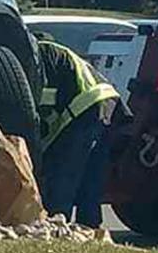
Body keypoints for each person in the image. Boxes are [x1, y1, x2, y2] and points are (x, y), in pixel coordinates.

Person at [36, 37, 122, 228]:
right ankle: (90, 226)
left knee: (66, 169)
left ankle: (58, 221)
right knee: (91, 173)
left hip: (87, 106)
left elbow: (44, 106)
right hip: (107, 103)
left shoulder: (41, 55)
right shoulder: (55, 52)